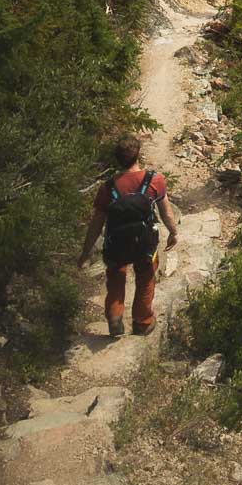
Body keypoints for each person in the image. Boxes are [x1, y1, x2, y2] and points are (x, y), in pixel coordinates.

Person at [77, 135, 179, 338]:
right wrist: (173, 233)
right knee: (146, 277)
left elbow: (96, 222)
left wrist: (86, 252)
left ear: (117, 159)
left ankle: (115, 319)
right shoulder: (154, 180)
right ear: (138, 155)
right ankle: (142, 322)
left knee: (116, 277)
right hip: (144, 243)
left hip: (116, 243)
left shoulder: (107, 188)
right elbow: (166, 212)